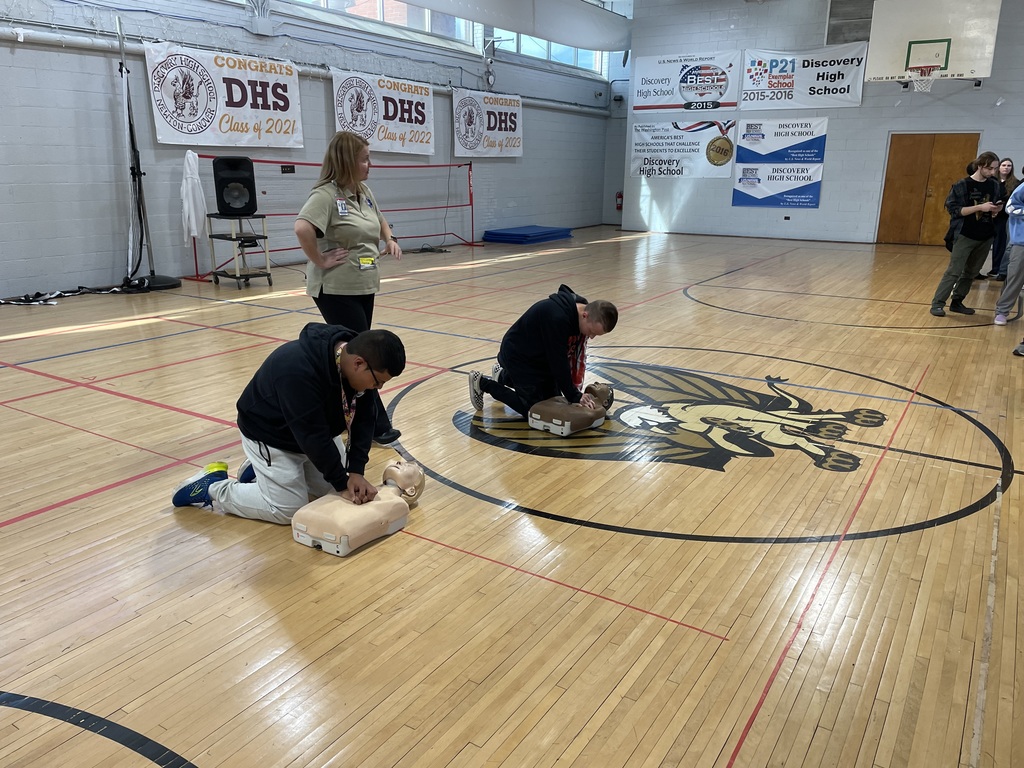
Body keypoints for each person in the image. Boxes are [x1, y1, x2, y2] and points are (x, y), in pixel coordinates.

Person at [171, 324, 406, 524]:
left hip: (312, 433)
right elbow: (312, 436)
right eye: (378, 382)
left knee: (332, 491)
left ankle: (260, 472)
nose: (379, 389)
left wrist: (355, 471)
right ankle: (211, 487)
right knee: (287, 509)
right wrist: (341, 481)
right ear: (358, 364)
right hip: (271, 435)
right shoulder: (297, 369)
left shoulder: (357, 366)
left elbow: (364, 420)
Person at [294, 131, 404, 445]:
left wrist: (389, 239)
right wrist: (319, 259)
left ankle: (341, 413)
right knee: (362, 355)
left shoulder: (363, 191)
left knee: (350, 354)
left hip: (363, 284)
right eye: (365, 158)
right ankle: (374, 424)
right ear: (346, 161)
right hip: (336, 287)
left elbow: (380, 219)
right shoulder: (326, 195)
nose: (370, 164)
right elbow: (303, 227)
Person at [468, 284, 618, 417]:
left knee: (553, 401)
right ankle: (482, 383)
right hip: (518, 355)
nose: (591, 337)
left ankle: (503, 376)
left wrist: (575, 394)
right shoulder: (557, 318)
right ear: (585, 315)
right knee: (534, 410)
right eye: (592, 332)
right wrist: (574, 395)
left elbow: (576, 357)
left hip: (539, 356)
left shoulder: (583, 314)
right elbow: (558, 361)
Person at [930, 152, 1004, 317]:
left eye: (995, 169)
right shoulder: (962, 185)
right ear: (980, 166)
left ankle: (957, 301)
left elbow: (993, 205)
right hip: (965, 234)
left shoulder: (994, 185)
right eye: (990, 168)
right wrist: (979, 207)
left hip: (986, 235)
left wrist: (994, 210)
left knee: (971, 272)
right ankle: (937, 303)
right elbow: (954, 210)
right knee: (954, 271)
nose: (993, 172)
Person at [992, 178, 1024, 325]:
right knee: (1015, 277)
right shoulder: (1022, 188)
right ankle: (1002, 311)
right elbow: (1010, 207)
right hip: (1022, 242)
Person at [988, 157, 1019, 280]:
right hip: (989, 215)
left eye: (1009, 166)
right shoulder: (992, 181)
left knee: (1001, 243)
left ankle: (998, 269)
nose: (1006, 167)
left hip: (1004, 218)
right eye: (1004, 165)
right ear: (999, 167)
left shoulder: (1015, 183)